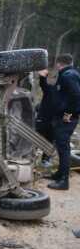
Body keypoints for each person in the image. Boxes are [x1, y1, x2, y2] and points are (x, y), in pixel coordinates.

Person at [46, 54, 80, 190]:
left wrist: (68, 114)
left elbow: (76, 95)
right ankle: (59, 174)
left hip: (67, 117)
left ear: (59, 64)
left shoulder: (68, 76)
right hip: (65, 115)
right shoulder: (71, 73)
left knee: (63, 147)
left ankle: (64, 181)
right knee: (62, 146)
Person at [35, 68, 57, 166]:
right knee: (34, 138)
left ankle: (45, 160)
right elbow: (43, 84)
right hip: (42, 120)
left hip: (54, 122)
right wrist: (42, 76)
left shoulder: (63, 94)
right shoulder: (50, 89)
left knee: (50, 141)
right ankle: (28, 157)